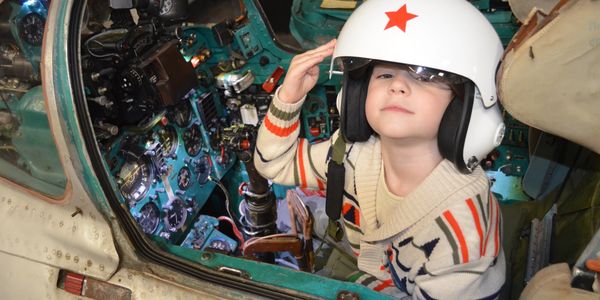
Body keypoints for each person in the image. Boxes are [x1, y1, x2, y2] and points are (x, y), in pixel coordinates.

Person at [254, 0, 506, 298]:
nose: (397, 85)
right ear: (356, 96)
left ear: (462, 108)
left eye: (425, 76)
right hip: (372, 274)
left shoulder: (461, 234)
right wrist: (288, 97)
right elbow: (274, 163)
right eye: (384, 75)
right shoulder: (351, 153)